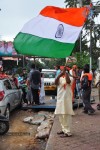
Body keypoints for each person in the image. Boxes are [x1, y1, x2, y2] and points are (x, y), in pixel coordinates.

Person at [55, 66, 74, 137]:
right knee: (60, 114)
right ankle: (63, 129)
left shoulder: (71, 78)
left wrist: (65, 73)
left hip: (67, 100)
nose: (62, 73)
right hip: (60, 99)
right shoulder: (59, 78)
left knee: (66, 114)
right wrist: (60, 74)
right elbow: (55, 82)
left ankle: (68, 132)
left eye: (64, 72)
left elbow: (68, 81)